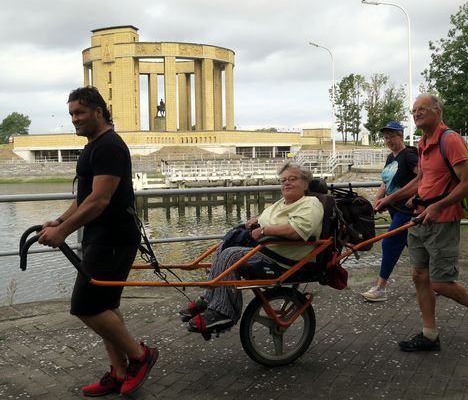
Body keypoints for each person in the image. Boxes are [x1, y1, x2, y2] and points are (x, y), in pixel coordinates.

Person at [37, 86, 157, 396]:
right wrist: (61, 221)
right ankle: (118, 373)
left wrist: (63, 233)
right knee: (105, 306)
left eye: (80, 113)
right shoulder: (94, 146)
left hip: (114, 238)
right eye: (71, 114)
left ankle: (139, 356)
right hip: (101, 237)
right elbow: (86, 198)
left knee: (85, 306)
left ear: (98, 112)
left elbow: (100, 200)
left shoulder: (109, 147)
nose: (74, 119)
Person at [377, 93, 468, 352]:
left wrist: (438, 205)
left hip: (442, 220)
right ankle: (430, 335)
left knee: (440, 282)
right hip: (419, 218)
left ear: (437, 111)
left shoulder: (449, 140)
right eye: (414, 111)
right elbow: (423, 180)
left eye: (422, 109)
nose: (416, 113)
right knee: (419, 275)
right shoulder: (422, 142)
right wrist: (392, 199)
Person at [181, 162, 324, 332]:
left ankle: (222, 312)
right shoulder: (282, 203)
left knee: (230, 256)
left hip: (284, 260)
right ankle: (209, 299)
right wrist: (256, 221)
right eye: (283, 180)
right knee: (223, 247)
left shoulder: (310, 203)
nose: (286, 183)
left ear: (305, 184)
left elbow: (296, 231)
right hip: (266, 250)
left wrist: (264, 230)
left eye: (292, 179)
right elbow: (269, 217)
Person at [361, 121, 418, 302]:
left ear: (401, 135)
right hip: (395, 208)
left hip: (408, 210)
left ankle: (380, 288)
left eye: (392, 136)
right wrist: (377, 200)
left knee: (389, 243)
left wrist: (415, 196)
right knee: (416, 247)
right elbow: (385, 182)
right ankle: (435, 282)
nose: (389, 140)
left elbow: (424, 177)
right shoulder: (391, 158)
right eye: (386, 137)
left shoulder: (409, 155)